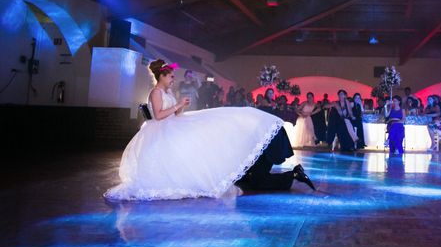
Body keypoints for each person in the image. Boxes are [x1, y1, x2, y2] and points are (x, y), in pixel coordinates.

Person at [104, 60, 314, 201]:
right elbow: (158, 116)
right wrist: (177, 106)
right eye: (170, 77)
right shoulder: (156, 92)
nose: (173, 79)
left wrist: (180, 107)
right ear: (161, 76)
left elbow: (173, 114)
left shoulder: (165, 91)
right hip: (161, 131)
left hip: (172, 126)